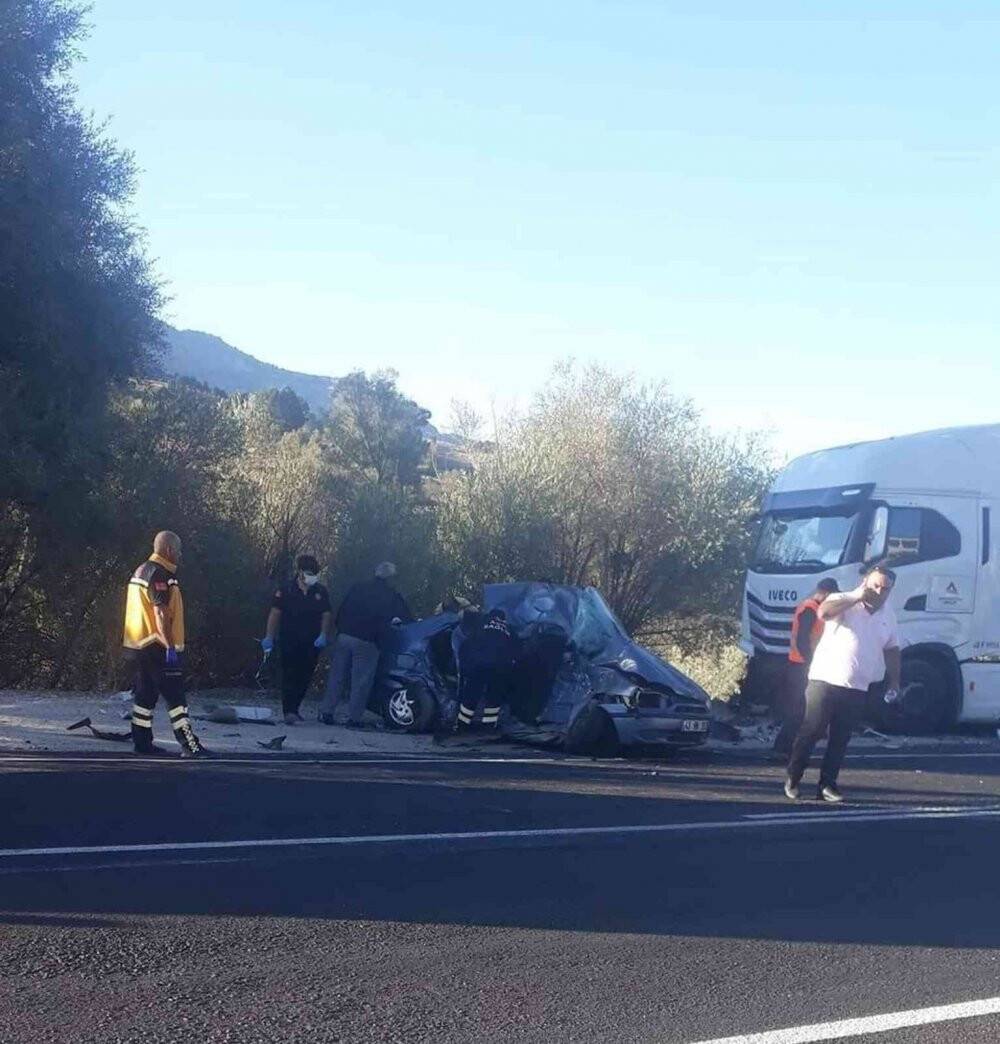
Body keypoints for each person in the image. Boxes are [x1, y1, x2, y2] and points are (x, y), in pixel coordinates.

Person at [784, 563, 901, 802]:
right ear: (865, 583)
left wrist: (895, 681)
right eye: (875, 586)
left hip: (857, 686)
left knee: (841, 737)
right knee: (813, 729)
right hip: (825, 679)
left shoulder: (888, 614)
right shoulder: (843, 599)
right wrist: (856, 597)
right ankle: (793, 777)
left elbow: (892, 648)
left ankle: (827, 784)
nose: (879, 592)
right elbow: (823, 613)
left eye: (885, 589)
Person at [122, 531, 206, 758]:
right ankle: (190, 745)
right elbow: (160, 613)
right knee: (176, 699)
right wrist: (170, 647)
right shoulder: (160, 574)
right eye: (178, 550)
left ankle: (142, 742)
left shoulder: (142, 570)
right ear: (168, 549)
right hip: (157, 646)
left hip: (139, 646)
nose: (180, 554)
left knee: (145, 697)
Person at [319, 562, 413, 728]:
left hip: (344, 636)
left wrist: (340, 630)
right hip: (367, 641)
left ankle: (326, 712)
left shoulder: (358, 587)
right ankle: (353, 719)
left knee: (336, 676)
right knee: (360, 682)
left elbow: (342, 608)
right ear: (391, 578)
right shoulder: (391, 595)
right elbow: (405, 619)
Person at [262, 555, 332, 725]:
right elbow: (275, 614)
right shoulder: (286, 589)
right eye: (309, 573)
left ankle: (295, 708)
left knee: (305, 675)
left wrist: (323, 634)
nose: (312, 577)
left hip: (312, 642)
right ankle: (289, 711)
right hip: (289, 639)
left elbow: (326, 614)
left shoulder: (320, 591)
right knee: (289, 674)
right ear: (300, 572)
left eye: (314, 574)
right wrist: (269, 636)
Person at [773, 578, 839, 757]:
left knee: (803, 709)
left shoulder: (813, 608)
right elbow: (802, 639)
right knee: (799, 709)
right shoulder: (810, 608)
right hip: (801, 666)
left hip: (803, 664)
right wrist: (810, 663)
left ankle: (788, 748)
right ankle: (782, 747)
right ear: (825, 592)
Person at [455, 607, 516, 731]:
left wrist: (464, 666)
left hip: (478, 665)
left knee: (471, 695)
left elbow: (467, 643)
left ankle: (462, 725)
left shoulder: (481, 623)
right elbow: (517, 650)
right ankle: (488, 727)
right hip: (500, 667)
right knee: (494, 697)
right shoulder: (510, 629)